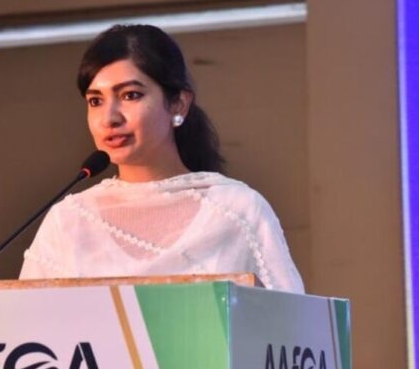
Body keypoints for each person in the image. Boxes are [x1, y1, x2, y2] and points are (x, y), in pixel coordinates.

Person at [19, 24, 304, 294]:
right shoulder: (69, 221)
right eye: (96, 101)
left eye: (130, 95)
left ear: (179, 103)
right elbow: (27, 322)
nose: (109, 118)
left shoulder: (237, 210)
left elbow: (293, 321)